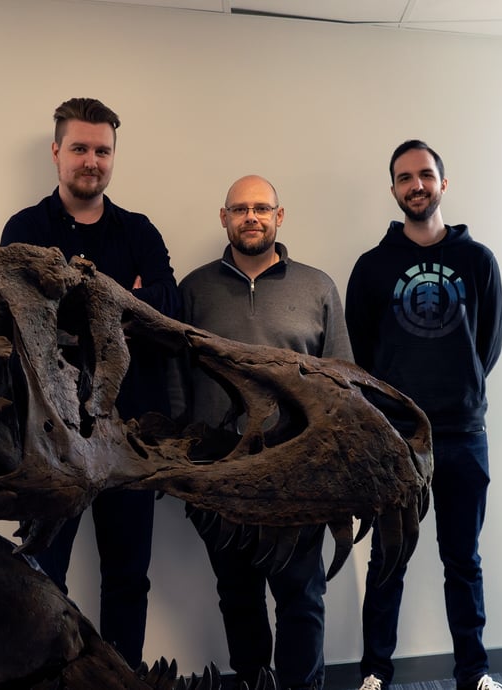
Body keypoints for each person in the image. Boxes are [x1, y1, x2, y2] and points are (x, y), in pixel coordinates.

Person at [0, 97, 179, 669]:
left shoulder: (140, 232)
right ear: (57, 153)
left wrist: (76, 303)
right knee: (43, 578)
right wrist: (119, 298)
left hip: (128, 438)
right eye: (79, 148)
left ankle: (121, 679)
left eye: (102, 150)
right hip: (50, 439)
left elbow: (168, 313)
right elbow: (21, 323)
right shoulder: (25, 229)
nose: (91, 161)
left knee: (128, 578)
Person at [177, 174, 353, 690]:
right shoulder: (194, 289)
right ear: (224, 217)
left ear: (279, 216)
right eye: (239, 209)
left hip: (299, 473)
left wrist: (333, 468)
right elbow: (175, 380)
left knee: (301, 596)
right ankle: (255, 681)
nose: (250, 217)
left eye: (261, 208)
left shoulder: (317, 286)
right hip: (220, 474)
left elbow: (342, 381)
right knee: (237, 594)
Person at [345, 140, 502, 690]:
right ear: (393, 189)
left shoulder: (478, 260)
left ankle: (474, 674)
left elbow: (488, 346)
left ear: (443, 182)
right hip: (395, 438)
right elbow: (361, 356)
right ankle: (374, 674)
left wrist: (457, 390)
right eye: (405, 177)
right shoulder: (371, 268)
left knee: (463, 561)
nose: (416, 185)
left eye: (426, 175)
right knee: (387, 562)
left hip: (462, 434)